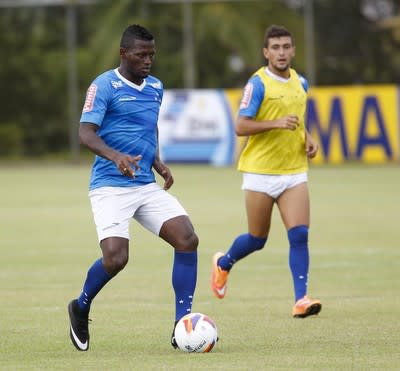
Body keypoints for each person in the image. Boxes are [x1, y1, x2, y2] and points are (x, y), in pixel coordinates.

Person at [68, 24, 198, 351]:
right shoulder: (104, 85)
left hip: (144, 185)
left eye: (151, 55)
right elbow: (86, 133)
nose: (148, 61)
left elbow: (149, 124)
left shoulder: (156, 87)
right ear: (123, 54)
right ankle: (80, 306)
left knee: (187, 239)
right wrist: (114, 156)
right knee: (116, 259)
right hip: (109, 186)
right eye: (141, 55)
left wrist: (157, 160)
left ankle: (181, 325)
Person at [211, 25, 322, 318]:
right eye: (275, 48)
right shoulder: (257, 84)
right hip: (260, 173)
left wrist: (307, 138)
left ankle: (301, 299)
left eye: (286, 46)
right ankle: (224, 264)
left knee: (299, 235)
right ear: (266, 52)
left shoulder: (302, 83)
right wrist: (275, 123)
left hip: (294, 171)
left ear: (293, 50)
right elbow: (240, 126)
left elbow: (297, 122)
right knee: (257, 239)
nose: (281, 52)